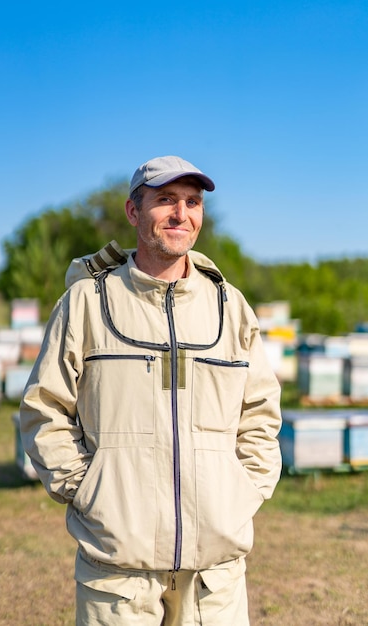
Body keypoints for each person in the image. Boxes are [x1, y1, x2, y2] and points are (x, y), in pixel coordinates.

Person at [20, 155, 282, 625]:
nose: (182, 214)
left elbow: (260, 414)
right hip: (119, 573)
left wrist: (243, 492)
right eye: (166, 200)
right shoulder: (86, 302)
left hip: (214, 576)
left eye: (193, 202)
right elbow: (45, 409)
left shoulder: (231, 306)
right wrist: (90, 492)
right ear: (133, 211)